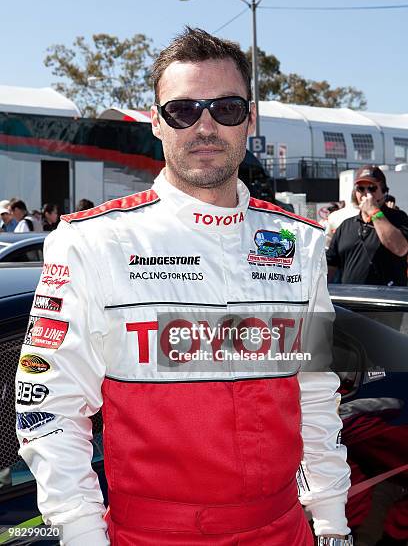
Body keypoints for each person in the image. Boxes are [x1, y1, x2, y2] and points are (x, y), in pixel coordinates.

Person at [16, 27, 352, 546]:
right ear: (156, 121)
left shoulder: (299, 240)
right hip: (151, 534)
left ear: (250, 121)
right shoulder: (95, 241)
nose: (206, 125)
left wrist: (331, 520)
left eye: (227, 108)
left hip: (285, 529)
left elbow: (315, 393)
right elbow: (49, 405)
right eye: (183, 110)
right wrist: (82, 533)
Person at [327, 165, 408, 285]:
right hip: (350, 300)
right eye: (361, 189)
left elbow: (401, 249)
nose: (366, 194)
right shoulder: (346, 225)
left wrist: (374, 212)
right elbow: (330, 264)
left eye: (372, 188)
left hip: (386, 300)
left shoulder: (398, 218)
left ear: (384, 191)